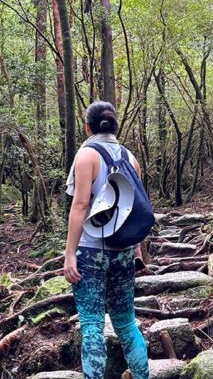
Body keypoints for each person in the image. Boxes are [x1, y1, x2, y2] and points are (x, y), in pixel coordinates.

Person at [63, 101, 149, 379]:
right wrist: (136, 249)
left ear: (87, 126)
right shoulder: (130, 157)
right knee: (126, 324)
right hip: (123, 251)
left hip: (90, 251)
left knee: (91, 325)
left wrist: (69, 253)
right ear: (115, 125)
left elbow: (79, 205)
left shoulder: (87, 155)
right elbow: (133, 208)